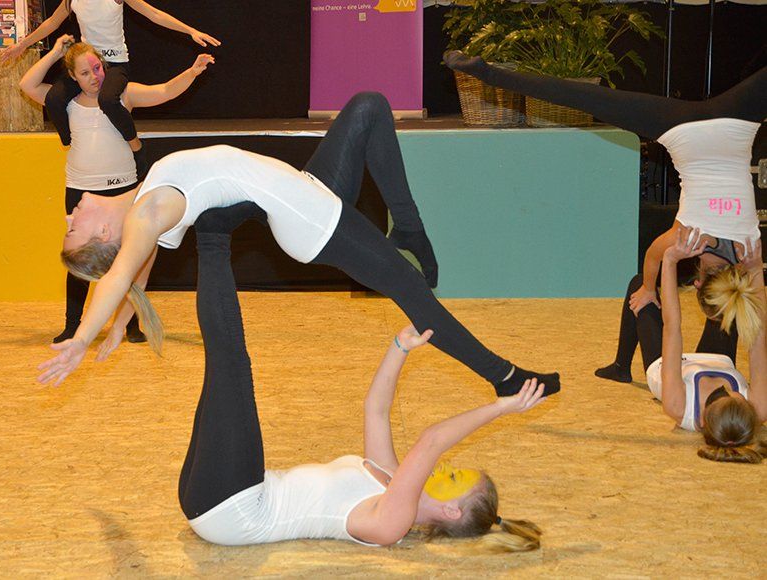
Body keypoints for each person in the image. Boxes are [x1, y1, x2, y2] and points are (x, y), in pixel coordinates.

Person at [36, 92, 561, 397]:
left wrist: (122, 323)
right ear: (102, 235)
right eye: (72, 227)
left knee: (369, 107)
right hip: (313, 222)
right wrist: (82, 338)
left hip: (310, 187)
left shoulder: (144, 204)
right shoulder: (150, 211)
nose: (69, 213)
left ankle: (407, 226)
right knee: (412, 293)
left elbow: (137, 269)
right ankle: (505, 378)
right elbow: (121, 273)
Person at [179, 210, 545, 546]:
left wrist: (502, 406)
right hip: (225, 495)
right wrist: (399, 348)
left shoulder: (393, 523)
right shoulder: (389, 478)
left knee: (230, 361)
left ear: (451, 512)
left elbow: (431, 441)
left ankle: (214, 228)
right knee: (224, 367)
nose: (446, 468)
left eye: (453, 478)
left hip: (236, 508)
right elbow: (375, 409)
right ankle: (213, 228)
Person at [445, 53, 767, 342]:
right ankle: (487, 73)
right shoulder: (683, 239)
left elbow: (757, 300)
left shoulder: (749, 247)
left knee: (582, 96)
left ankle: (486, 72)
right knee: (581, 97)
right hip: (681, 131)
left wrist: (753, 273)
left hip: (734, 122)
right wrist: (648, 289)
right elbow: (652, 257)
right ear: (696, 283)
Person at [20, 34, 214, 343]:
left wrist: (192, 71)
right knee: (80, 258)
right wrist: (56, 51)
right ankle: (73, 325)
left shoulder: (123, 95)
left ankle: (131, 324)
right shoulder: (65, 102)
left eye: (97, 68)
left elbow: (164, 91)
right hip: (81, 191)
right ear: (72, 76)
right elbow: (27, 85)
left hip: (122, 190)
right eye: (85, 73)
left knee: (131, 256)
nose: (94, 77)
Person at [596, 226, 767, 463]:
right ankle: (713, 261)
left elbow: (672, 328)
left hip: (665, 363)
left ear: (704, 420)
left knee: (640, 283)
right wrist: (755, 268)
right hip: (718, 360)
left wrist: (670, 260)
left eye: (720, 395)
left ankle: (620, 367)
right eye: (733, 394)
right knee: (731, 301)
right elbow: (758, 335)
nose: (724, 389)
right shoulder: (758, 408)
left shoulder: (679, 406)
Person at [2, 0, 220, 172]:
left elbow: (154, 14)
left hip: (115, 64)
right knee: (54, 99)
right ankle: (69, 141)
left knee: (108, 100)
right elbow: (51, 22)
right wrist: (22, 44)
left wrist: (190, 30)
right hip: (89, 62)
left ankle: (136, 146)